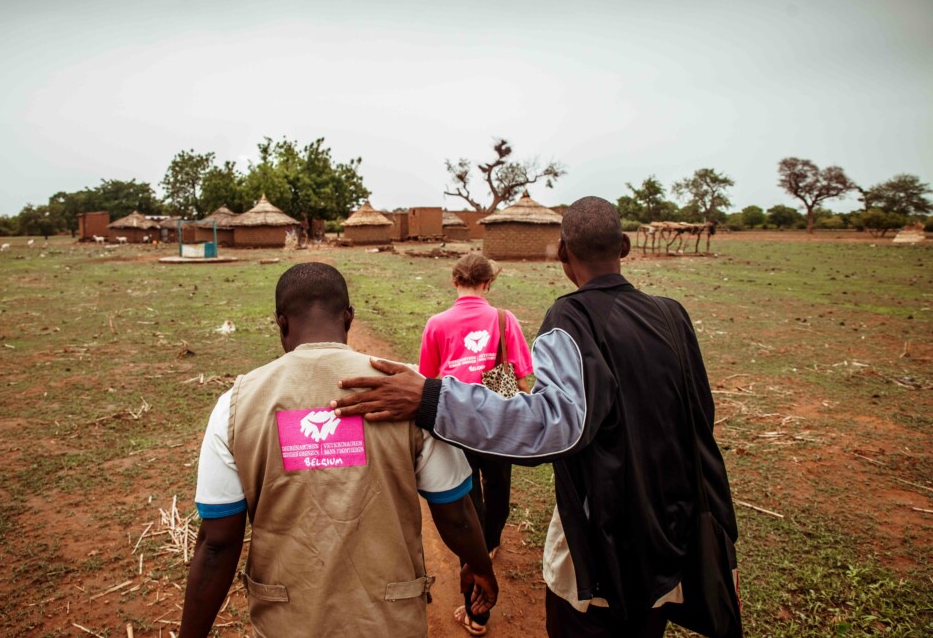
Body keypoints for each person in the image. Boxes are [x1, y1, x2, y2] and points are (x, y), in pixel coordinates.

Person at [331, 197, 739, 637]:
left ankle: (480, 547)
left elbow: (553, 425)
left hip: (601, 544)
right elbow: (702, 433)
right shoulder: (672, 316)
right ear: (624, 245)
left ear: (562, 252)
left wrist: (432, 398)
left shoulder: (572, 317)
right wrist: (724, 542)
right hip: (669, 533)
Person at [179, 262, 497, 638]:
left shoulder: (236, 406)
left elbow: (217, 544)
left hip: (287, 622)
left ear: (280, 322)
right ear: (349, 317)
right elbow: (455, 510)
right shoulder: (408, 391)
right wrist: (479, 565)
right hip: (390, 619)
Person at [418, 253, 533, 634]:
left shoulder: (436, 324)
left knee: (468, 493)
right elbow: (520, 374)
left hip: (455, 417)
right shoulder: (505, 318)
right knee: (498, 483)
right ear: (488, 283)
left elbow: (427, 378)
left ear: (455, 282)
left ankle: (477, 554)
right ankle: (494, 541)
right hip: (497, 415)